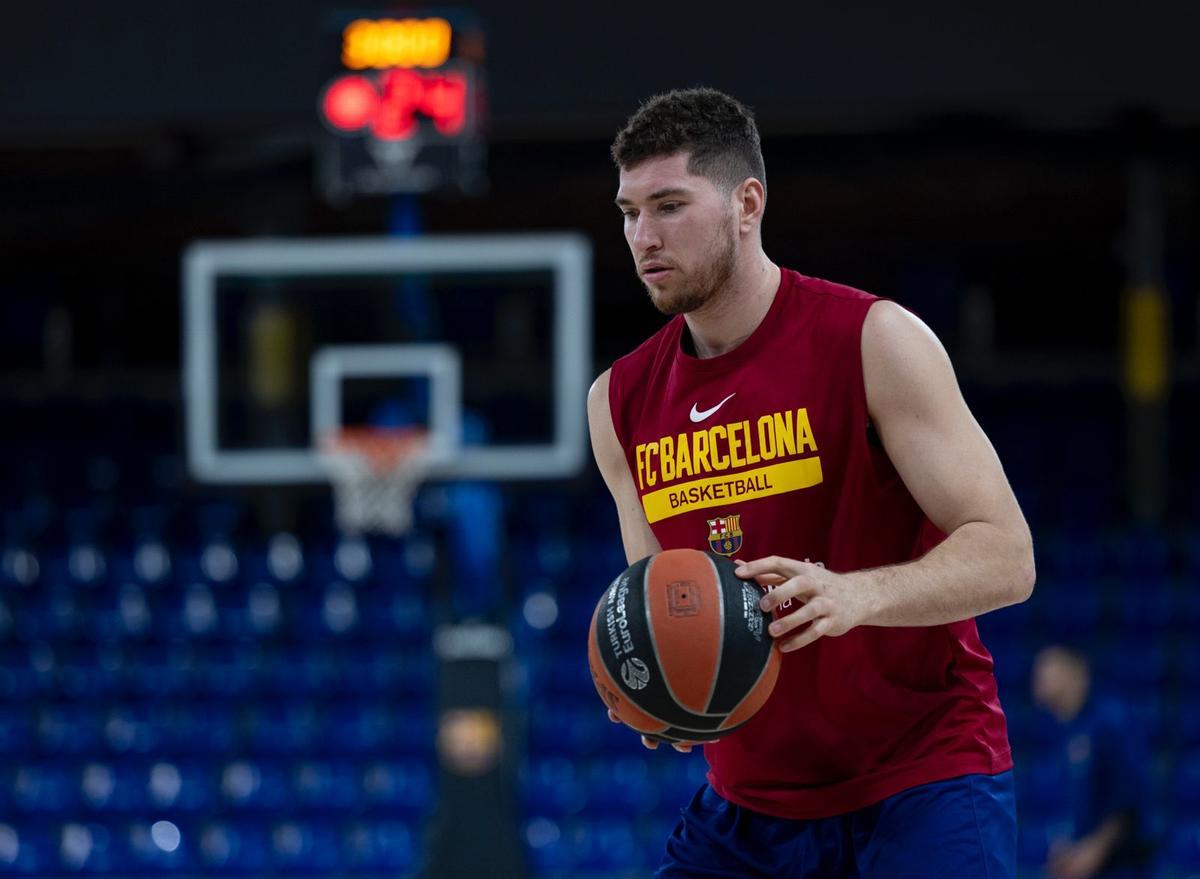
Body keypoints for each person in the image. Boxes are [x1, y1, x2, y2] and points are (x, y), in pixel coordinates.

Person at [587, 87, 1036, 878]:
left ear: (747, 203)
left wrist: (854, 595)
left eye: (668, 206)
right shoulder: (617, 401)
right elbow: (663, 591)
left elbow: (1008, 556)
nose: (642, 237)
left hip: (920, 781)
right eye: (628, 212)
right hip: (749, 809)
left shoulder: (874, 340)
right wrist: (656, 685)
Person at [1031, 645, 1155, 879]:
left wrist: (1094, 851)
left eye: (1047, 672)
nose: (1039, 684)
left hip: (1123, 866)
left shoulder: (1111, 721)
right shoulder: (1068, 729)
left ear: (1075, 671)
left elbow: (1129, 801)